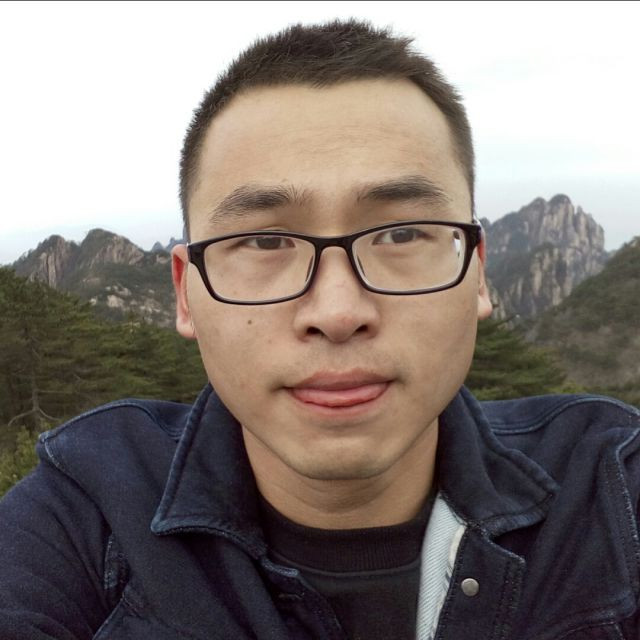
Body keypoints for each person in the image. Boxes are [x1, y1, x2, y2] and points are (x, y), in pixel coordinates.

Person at [1, 19, 639, 640]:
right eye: (264, 241)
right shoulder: (85, 516)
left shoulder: (611, 488)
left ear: (477, 274)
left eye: (401, 233)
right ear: (185, 294)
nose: (337, 313)